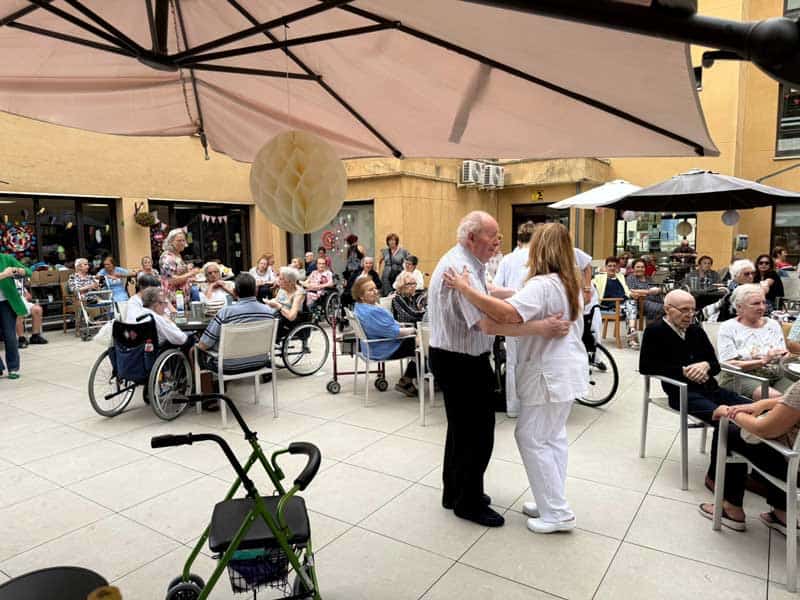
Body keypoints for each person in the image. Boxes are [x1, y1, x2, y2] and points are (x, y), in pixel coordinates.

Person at [427, 210, 568, 528]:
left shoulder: (469, 264)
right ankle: (468, 502)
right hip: (461, 361)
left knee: (461, 431)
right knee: (478, 435)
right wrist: (540, 327)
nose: (498, 241)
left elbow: (488, 293)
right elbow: (488, 323)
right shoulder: (458, 267)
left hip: (455, 358)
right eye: (493, 235)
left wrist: (521, 297)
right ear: (471, 237)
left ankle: (455, 492)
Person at [639, 289, 751, 506]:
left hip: (712, 389)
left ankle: (754, 474)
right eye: (684, 310)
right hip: (681, 392)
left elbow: (715, 364)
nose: (690, 314)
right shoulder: (655, 331)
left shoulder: (696, 331)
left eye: (693, 309)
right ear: (667, 309)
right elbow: (647, 367)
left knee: (754, 410)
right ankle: (716, 477)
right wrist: (683, 370)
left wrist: (705, 365)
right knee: (728, 419)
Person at [701, 381, 800, 534]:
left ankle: (731, 509)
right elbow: (792, 404)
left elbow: (764, 429)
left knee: (730, 430)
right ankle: (783, 514)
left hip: (794, 469)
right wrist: (763, 403)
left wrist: (728, 412)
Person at [717, 284, 792, 400]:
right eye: (756, 303)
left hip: (776, 374)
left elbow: (784, 353)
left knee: (796, 395)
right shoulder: (728, 327)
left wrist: (785, 356)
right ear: (739, 307)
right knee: (778, 399)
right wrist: (763, 360)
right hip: (740, 377)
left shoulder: (773, 324)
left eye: (763, 302)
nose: (762, 307)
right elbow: (729, 365)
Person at [197, 273, 277, 375]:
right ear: (256, 291)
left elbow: (203, 345)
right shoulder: (269, 312)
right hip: (260, 362)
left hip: (228, 367)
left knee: (195, 350)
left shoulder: (225, 313)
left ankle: (204, 389)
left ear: (234, 292)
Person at [353, 277, 419, 397]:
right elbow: (394, 333)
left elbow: (386, 327)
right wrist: (413, 330)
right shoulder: (371, 312)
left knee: (421, 344)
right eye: (370, 290)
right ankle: (408, 380)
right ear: (362, 296)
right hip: (384, 348)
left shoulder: (359, 307)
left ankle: (410, 378)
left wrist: (400, 325)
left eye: (375, 288)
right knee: (425, 345)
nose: (375, 291)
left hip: (371, 346)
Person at [593, 256, 639, 349]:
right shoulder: (599, 277)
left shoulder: (620, 276)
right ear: (606, 267)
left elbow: (626, 290)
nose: (612, 268)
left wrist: (632, 294)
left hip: (623, 303)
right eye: (609, 266)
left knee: (631, 304)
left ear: (617, 267)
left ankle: (631, 333)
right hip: (609, 305)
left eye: (614, 266)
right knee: (631, 306)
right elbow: (590, 285)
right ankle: (632, 336)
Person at [0, 254, 31, 379]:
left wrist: (18, 270)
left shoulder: (6, 258)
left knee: (10, 336)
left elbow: (28, 272)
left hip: (6, 303)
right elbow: (5, 275)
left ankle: (13, 368)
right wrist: (4, 274)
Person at [159, 228, 200, 305]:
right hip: (173, 299)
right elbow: (172, 281)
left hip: (181, 297)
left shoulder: (177, 254)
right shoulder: (168, 257)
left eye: (183, 240)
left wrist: (186, 268)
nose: (182, 243)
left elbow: (177, 271)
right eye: (179, 240)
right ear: (171, 242)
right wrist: (191, 273)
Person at [266, 267, 306, 338]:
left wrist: (278, 306)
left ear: (290, 282)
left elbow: (292, 316)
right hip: (278, 315)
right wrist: (271, 302)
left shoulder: (298, 293)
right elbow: (277, 300)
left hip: (290, 321)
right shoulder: (282, 288)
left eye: (281, 279)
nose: (278, 280)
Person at [626, 258, 665, 322]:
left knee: (672, 306)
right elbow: (631, 290)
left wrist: (659, 290)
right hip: (642, 301)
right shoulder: (631, 278)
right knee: (663, 309)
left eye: (642, 267)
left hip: (656, 299)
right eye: (638, 267)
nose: (640, 269)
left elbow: (656, 288)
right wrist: (649, 292)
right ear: (633, 268)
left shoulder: (648, 278)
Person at [15, 275, 47, 347]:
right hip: (13, 304)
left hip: (24, 303)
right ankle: (21, 338)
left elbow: (29, 296)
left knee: (37, 309)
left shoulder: (17, 282)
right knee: (19, 312)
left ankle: (35, 336)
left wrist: (25, 296)